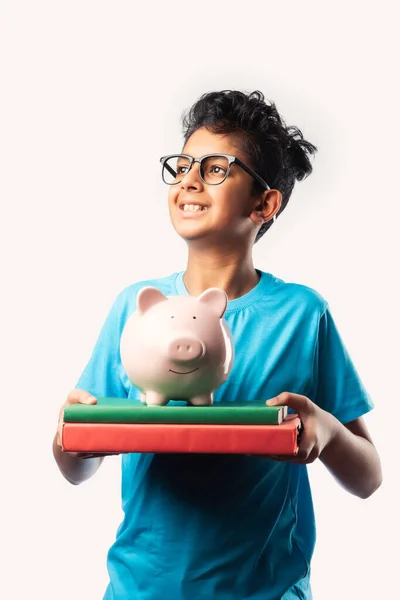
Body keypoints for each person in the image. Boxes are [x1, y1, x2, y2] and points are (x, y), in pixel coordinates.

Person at [53, 90, 382, 600]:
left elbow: (368, 477)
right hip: (140, 589)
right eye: (183, 165)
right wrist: (69, 435)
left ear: (264, 203)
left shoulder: (302, 313)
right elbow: (78, 467)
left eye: (214, 168)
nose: (187, 180)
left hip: (266, 592)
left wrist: (329, 430)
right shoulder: (133, 308)